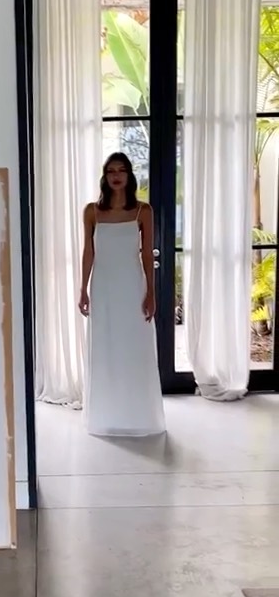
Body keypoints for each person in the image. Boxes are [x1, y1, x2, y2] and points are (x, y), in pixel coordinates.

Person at [78, 152, 165, 437]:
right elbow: (89, 252)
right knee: (106, 348)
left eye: (121, 170)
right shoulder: (92, 211)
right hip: (103, 288)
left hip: (132, 287)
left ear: (129, 175)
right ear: (105, 177)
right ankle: (106, 415)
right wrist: (83, 288)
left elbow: (147, 256)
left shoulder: (143, 211)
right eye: (111, 171)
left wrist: (151, 293)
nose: (116, 176)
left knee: (134, 348)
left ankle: (138, 416)